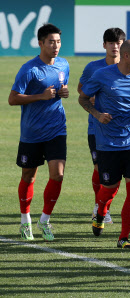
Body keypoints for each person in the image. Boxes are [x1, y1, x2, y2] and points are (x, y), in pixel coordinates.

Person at [79, 40, 130, 249]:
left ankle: (124, 237)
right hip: (108, 143)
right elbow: (83, 98)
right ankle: (101, 212)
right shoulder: (102, 75)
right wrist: (97, 114)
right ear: (126, 56)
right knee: (109, 189)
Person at [9, 23, 70, 241]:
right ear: (41, 43)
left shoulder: (64, 65)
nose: (56, 46)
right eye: (51, 42)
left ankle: (44, 221)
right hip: (32, 132)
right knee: (29, 175)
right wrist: (40, 96)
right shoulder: (29, 69)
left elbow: (61, 88)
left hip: (57, 129)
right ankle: (25, 221)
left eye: (59, 42)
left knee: (58, 174)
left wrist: (63, 93)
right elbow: (13, 98)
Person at [78, 27, 126, 224]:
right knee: (99, 167)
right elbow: (81, 88)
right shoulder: (93, 67)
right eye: (111, 43)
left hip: (122, 130)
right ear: (104, 45)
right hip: (96, 128)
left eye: (119, 43)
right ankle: (99, 207)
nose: (115, 47)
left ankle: (103, 205)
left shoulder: (128, 67)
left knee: (117, 173)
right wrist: (95, 96)